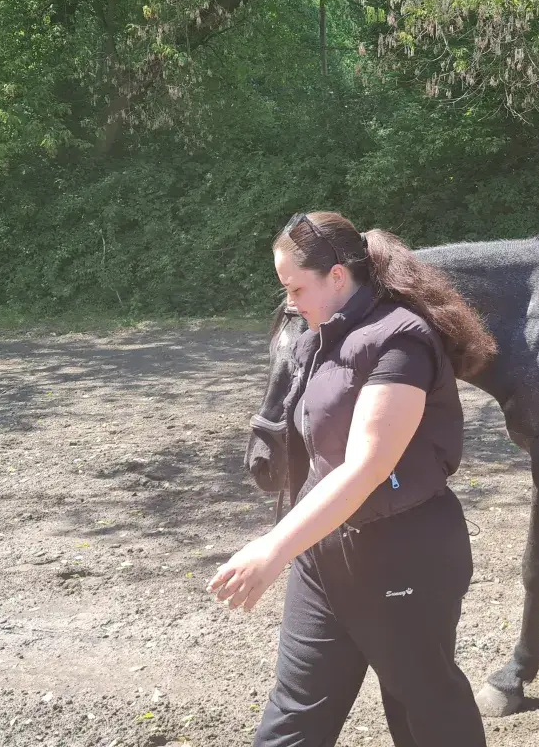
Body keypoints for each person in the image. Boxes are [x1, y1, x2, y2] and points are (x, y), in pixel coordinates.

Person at [209, 211, 495, 747]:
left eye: (296, 287)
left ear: (337, 276)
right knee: (295, 714)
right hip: (322, 552)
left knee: (424, 711)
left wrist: (273, 548)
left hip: (403, 553)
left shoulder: (399, 340)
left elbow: (366, 467)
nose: (289, 302)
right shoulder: (316, 333)